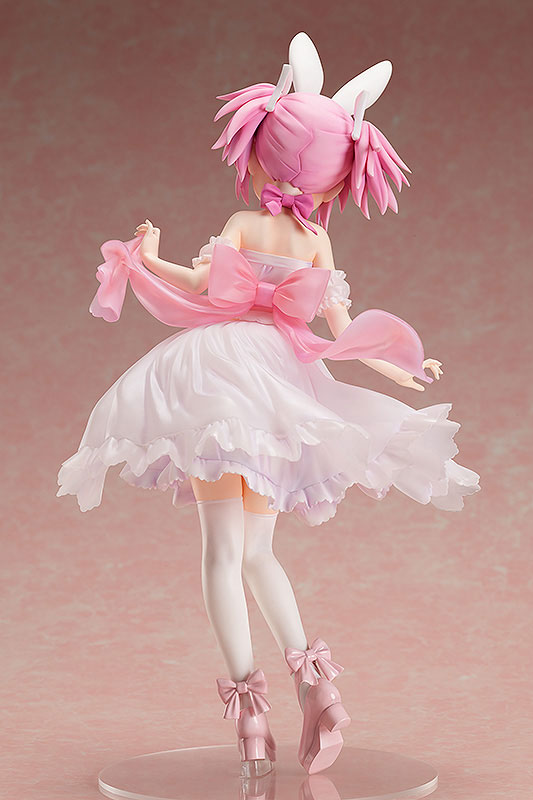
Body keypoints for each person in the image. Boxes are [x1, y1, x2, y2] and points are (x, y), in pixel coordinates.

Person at [57, 33, 480, 777]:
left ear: (260, 150)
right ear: (337, 172)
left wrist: (145, 254)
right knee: (259, 552)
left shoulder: (243, 226)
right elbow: (342, 330)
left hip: (219, 380)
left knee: (224, 554)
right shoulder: (316, 243)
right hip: (280, 385)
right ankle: (319, 689)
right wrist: (401, 367)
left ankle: (252, 717)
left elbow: (198, 286)